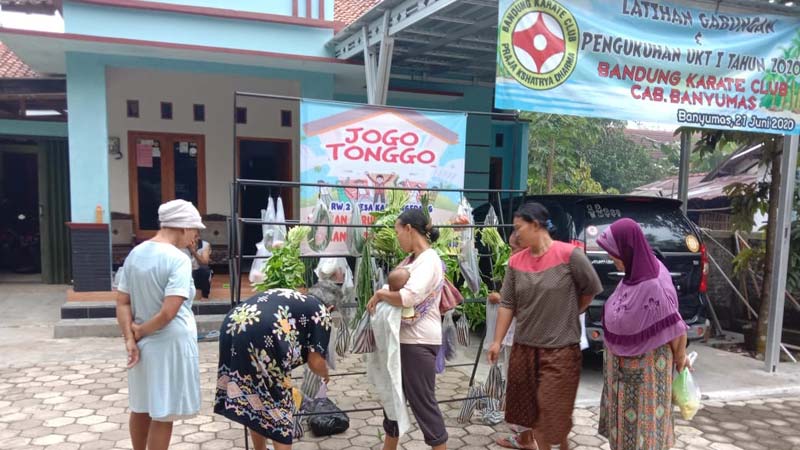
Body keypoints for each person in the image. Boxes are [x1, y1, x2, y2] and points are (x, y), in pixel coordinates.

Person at [488, 202, 602, 450]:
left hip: (560, 349)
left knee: (551, 407)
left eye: (519, 228)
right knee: (533, 412)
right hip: (525, 349)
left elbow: (590, 290)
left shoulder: (570, 255)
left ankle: (559, 443)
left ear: (536, 225)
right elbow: (507, 303)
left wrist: (571, 310)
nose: (516, 235)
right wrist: (496, 341)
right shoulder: (516, 263)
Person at [115, 199, 205, 450]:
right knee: (163, 413)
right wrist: (140, 331)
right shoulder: (178, 259)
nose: (196, 235)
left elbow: (122, 302)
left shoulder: (136, 253)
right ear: (183, 227)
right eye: (195, 229)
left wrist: (131, 338)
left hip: (143, 347)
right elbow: (169, 312)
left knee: (141, 406)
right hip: (169, 344)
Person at [596, 218, 690, 450]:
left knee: (644, 436)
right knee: (624, 434)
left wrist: (680, 358)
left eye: (614, 252)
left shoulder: (652, 284)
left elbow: (676, 326)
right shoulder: (635, 274)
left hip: (645, 375)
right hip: (622, 377)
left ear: (628, 249)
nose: (611, 257)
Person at [214, 280, 338, 450]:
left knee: (255, 398)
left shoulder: (296, 298)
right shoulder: (322, 312)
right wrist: (325, 374)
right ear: (331, 307)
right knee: (279, 408)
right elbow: (315, 361)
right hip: (260, 336)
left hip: (232, 323)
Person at [367, 208, 448, 450]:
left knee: (424, 405)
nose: (397, 237)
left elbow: (408, 297)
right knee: (393, 403)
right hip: (403, 341)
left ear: (409, 229)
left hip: (418, 343)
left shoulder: (429, 260)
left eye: (398, 231)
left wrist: (381, 293)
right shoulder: (412, 259)